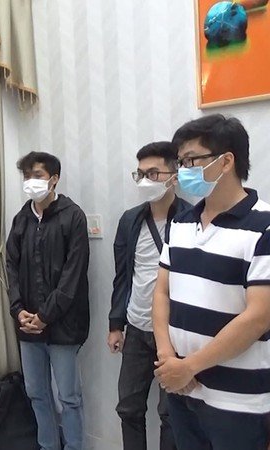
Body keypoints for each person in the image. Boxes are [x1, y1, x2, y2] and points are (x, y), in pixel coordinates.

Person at [153, 114, 270, 450]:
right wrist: (168, 359)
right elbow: (162, 292)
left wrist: (189, 366)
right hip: (183, 390)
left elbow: (259, 317)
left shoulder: (263, 226)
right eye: (181, 162)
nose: (183, 171)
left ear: (226, 161)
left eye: (191, 160)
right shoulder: (181, 222)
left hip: (238, 401)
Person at [108, 142, 189, 450]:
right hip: (137, 328)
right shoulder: (130, 220)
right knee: (128, 407)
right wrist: (116, 324)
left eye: (153, 173)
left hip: (175, 332)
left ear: (174, 175)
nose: (145, 181)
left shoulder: (192, 218)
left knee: (172, 413)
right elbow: (122, 276)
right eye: (140, 174)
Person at [6, 151, 89, 450]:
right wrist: (18, 310)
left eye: (37, 175)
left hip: (63, 325)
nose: (31, 181)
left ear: (54, 179)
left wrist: (45, 315)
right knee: (36, 393)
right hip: (28, 326)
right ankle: (48, 446)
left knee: (69, 397)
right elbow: (11, 267)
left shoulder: (72, 216)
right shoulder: (21, 219)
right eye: (27, 176)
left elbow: (73, 275)